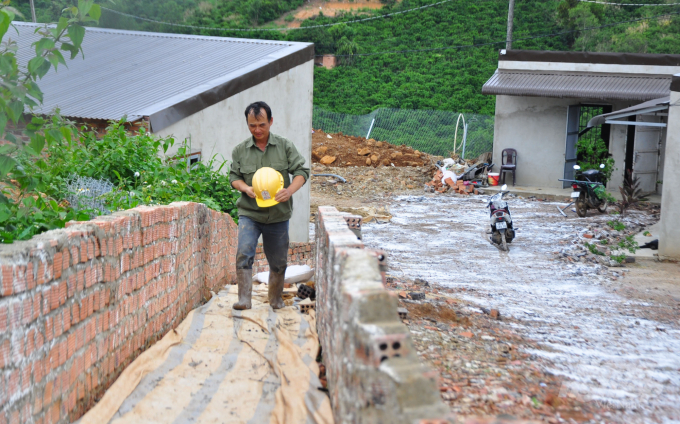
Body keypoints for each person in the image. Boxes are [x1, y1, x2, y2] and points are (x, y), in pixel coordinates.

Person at [229, 101, 310, 310]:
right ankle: (244, 300)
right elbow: (234, 177)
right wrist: (245, 188)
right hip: (250, 213)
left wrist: (289, 190)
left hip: (278, 215)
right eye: (252, 126)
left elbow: (302, 172)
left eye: (262, 125)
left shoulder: (284, 146)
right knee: (244, 252)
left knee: (278, 261)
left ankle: (275, 299)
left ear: (271, 122)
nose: (257, 130)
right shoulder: (240, 151)